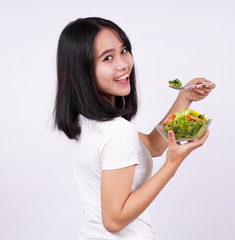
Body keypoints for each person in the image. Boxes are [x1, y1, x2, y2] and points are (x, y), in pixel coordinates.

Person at [54, 17, 215, 240]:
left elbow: (152, 146)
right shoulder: (118, 131)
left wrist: (184, 97)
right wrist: (172, 165)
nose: (123, 64)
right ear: (82, 70)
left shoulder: (82, 122)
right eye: (108, 57)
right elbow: (113, 221)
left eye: (124, 50)